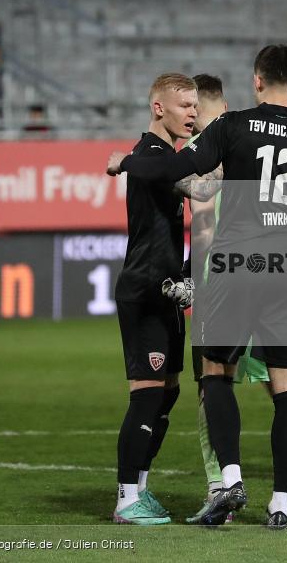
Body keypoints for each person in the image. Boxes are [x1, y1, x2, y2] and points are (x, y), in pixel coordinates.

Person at [109, 44, 287, 530]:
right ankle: (281, 503)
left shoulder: (234, 127)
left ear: (256, 82)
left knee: (216, 374)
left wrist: (126, 163)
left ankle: (229, 478)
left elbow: (177, 170)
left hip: (240, 261)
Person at [176, 74, 287, 523]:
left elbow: (204, 221)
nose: (191, 119)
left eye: (193, 111)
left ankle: (226, 483)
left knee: (213, 380)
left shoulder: (225, 139)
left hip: (230, 274)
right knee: (286, 388)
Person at [111, 73, 197, 525]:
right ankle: (126, 499)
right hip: (145, 289)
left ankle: (140, 489)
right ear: (159, 108)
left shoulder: (167, 157)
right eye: (185, 105)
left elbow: (196, 185)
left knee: (166, 395)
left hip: (165, 291)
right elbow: (192, 183)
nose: (193, 114)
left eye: (197, 107)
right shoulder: (152, 155)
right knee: (147, 396)